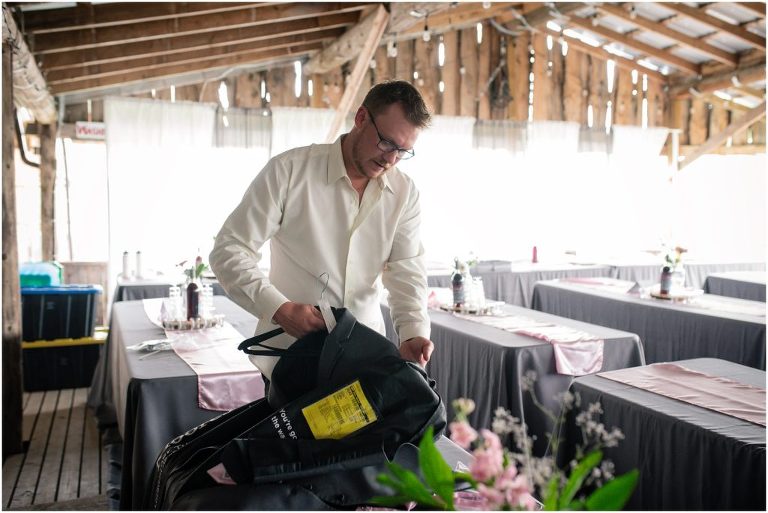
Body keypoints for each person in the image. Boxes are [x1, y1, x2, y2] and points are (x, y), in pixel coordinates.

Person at [210, 80, 434, 381]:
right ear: (361, 118)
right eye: (387, 143)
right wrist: (279, 309)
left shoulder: (405, 193)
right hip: (291, 358)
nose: (391, 159)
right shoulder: (288, 171)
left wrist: (412, 332)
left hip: (366, 361)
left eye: (404, 151)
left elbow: (406, 271)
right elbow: (229, 250)